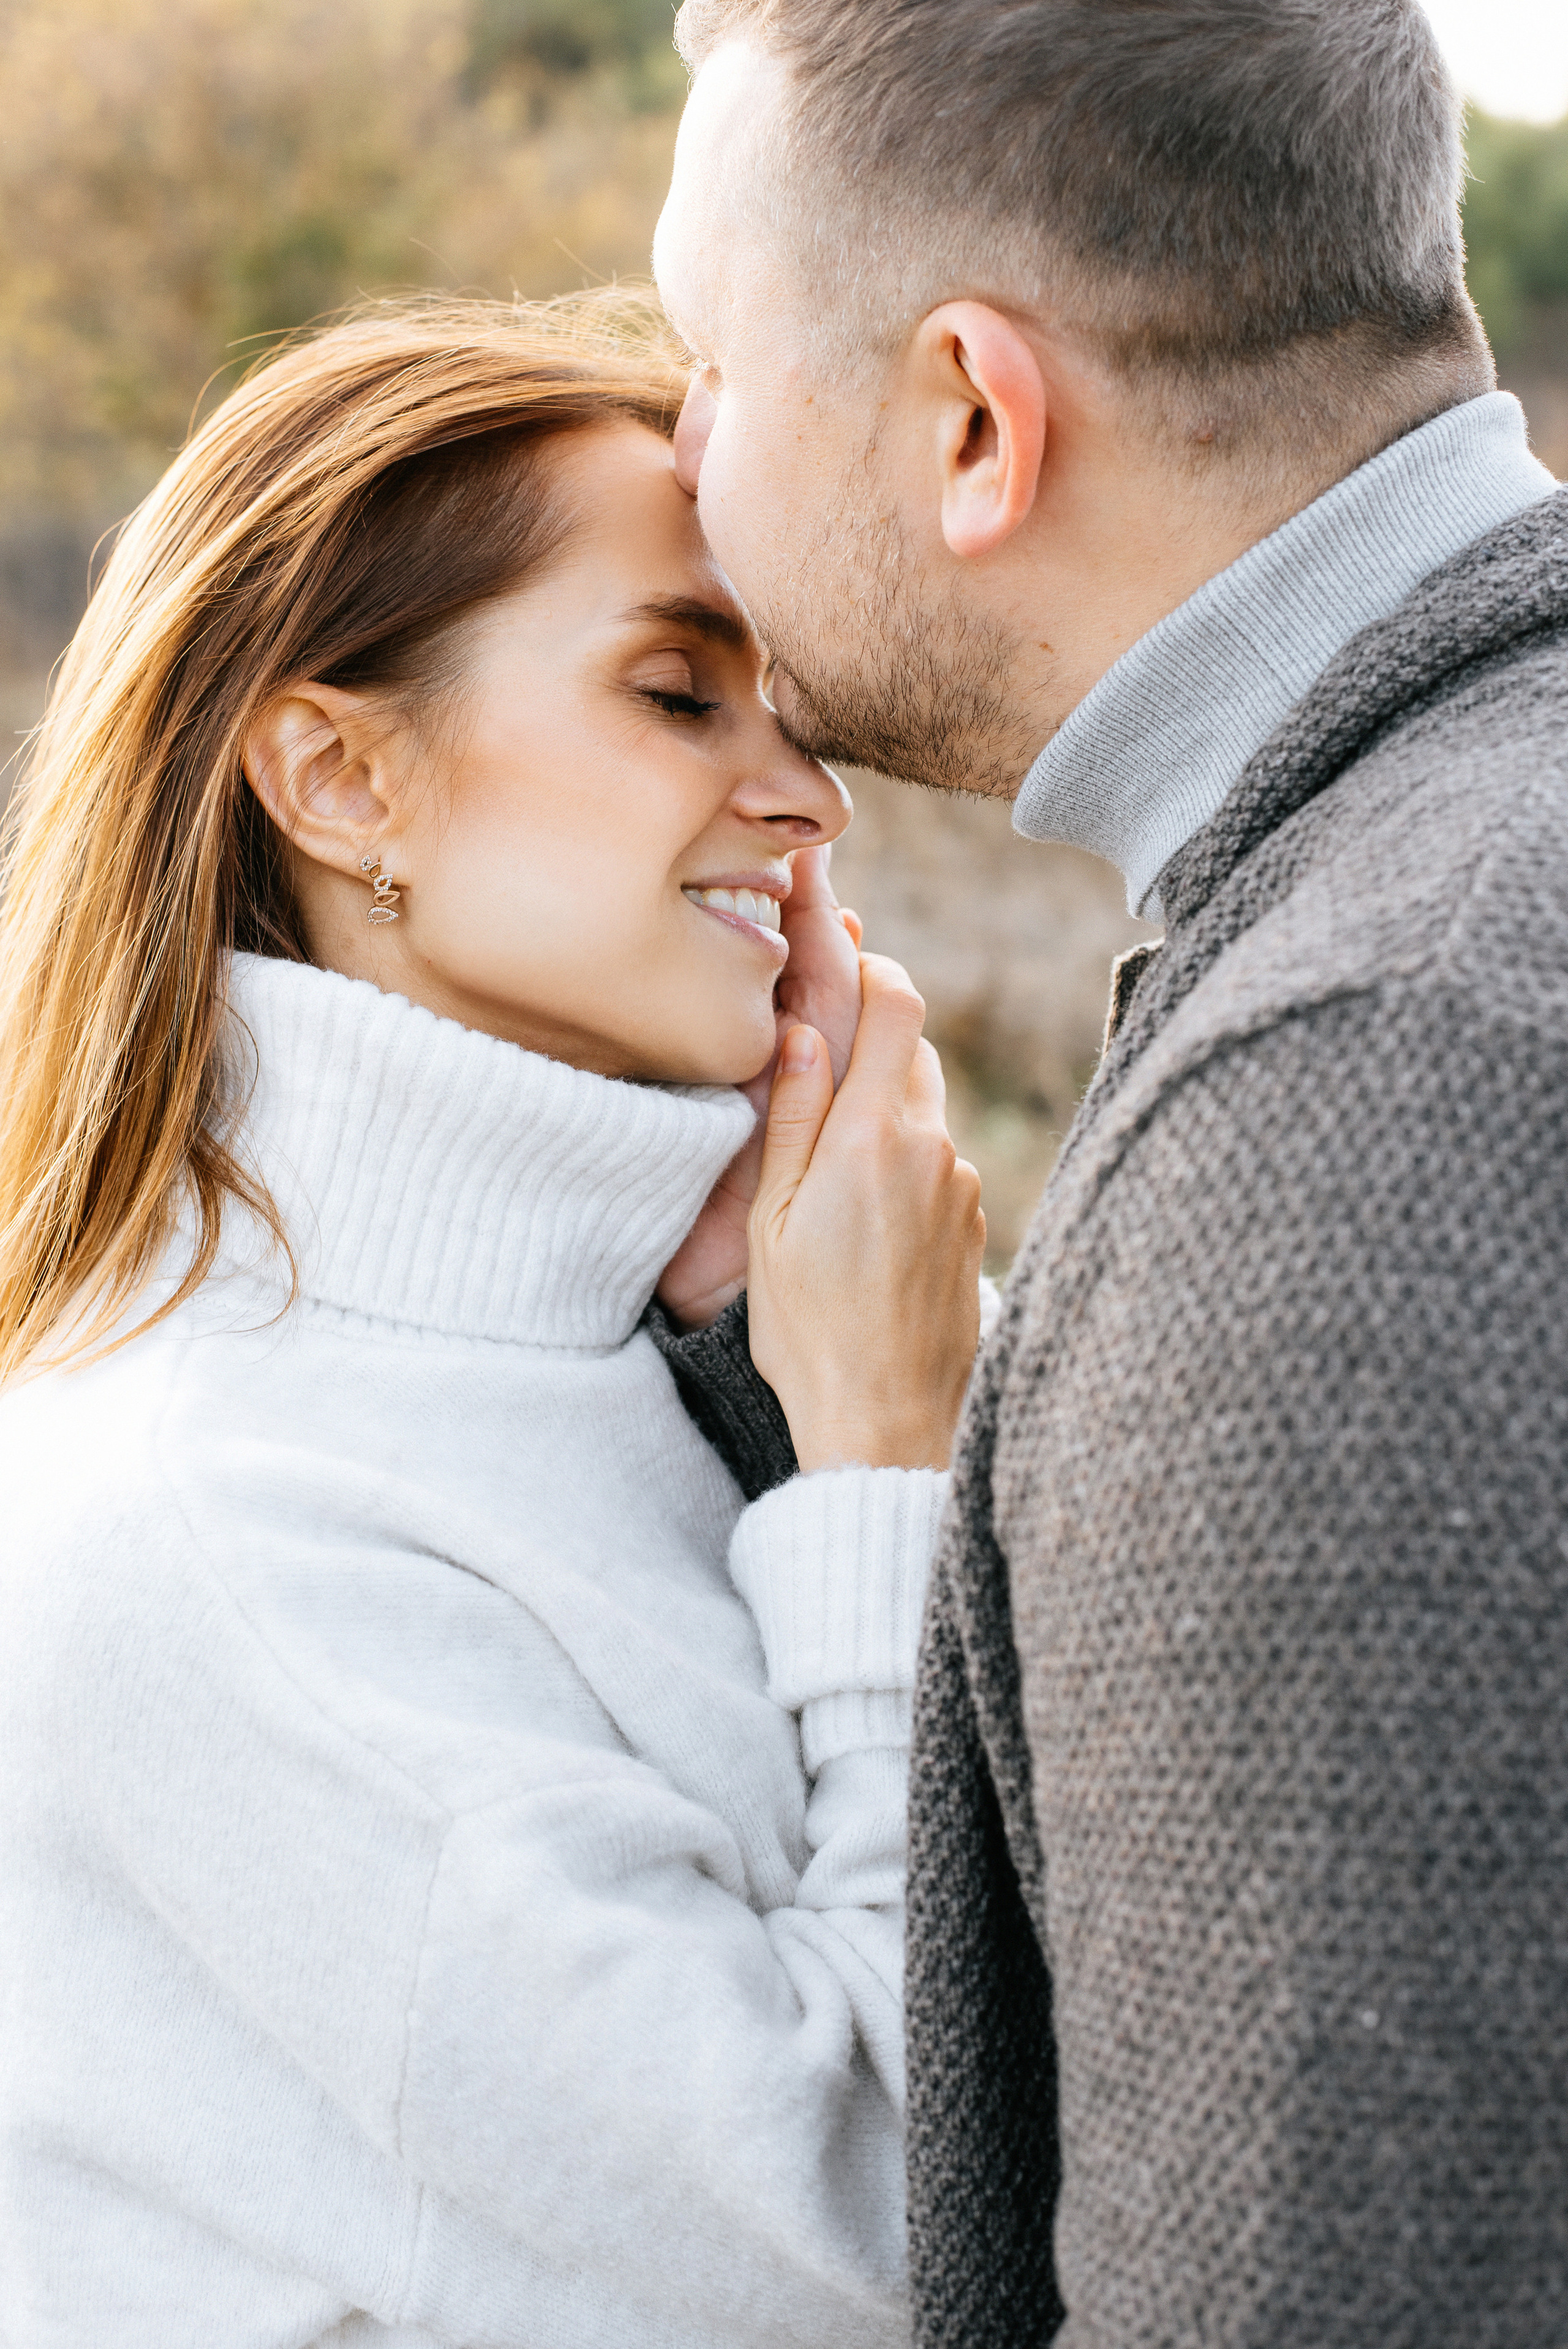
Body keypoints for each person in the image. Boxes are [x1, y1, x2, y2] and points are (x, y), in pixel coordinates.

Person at [651, 1, 1568, 2340]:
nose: (681, 448)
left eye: (713, 365)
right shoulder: (1467, 878)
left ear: (977, 420)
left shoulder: (1367, 1094)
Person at [0, 294, 988, 2345]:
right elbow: (885, 2242)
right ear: (340, 778)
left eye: (786, 704)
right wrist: (885, 1467)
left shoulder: (679, 1348)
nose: (808, 799)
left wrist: (791, 1384)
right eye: (678, 690)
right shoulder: (223, 1527)